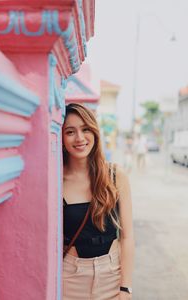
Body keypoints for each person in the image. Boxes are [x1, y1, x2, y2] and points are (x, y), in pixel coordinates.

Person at [62, 103, 134, 300]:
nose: (79, 138)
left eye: (85, 129)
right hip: (69, 278)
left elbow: (127, 237)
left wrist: (125, 288)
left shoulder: (115, 175)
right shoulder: (56, 182)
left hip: (111, 274)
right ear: (61, 138)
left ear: (94, 132)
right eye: (70, 131)